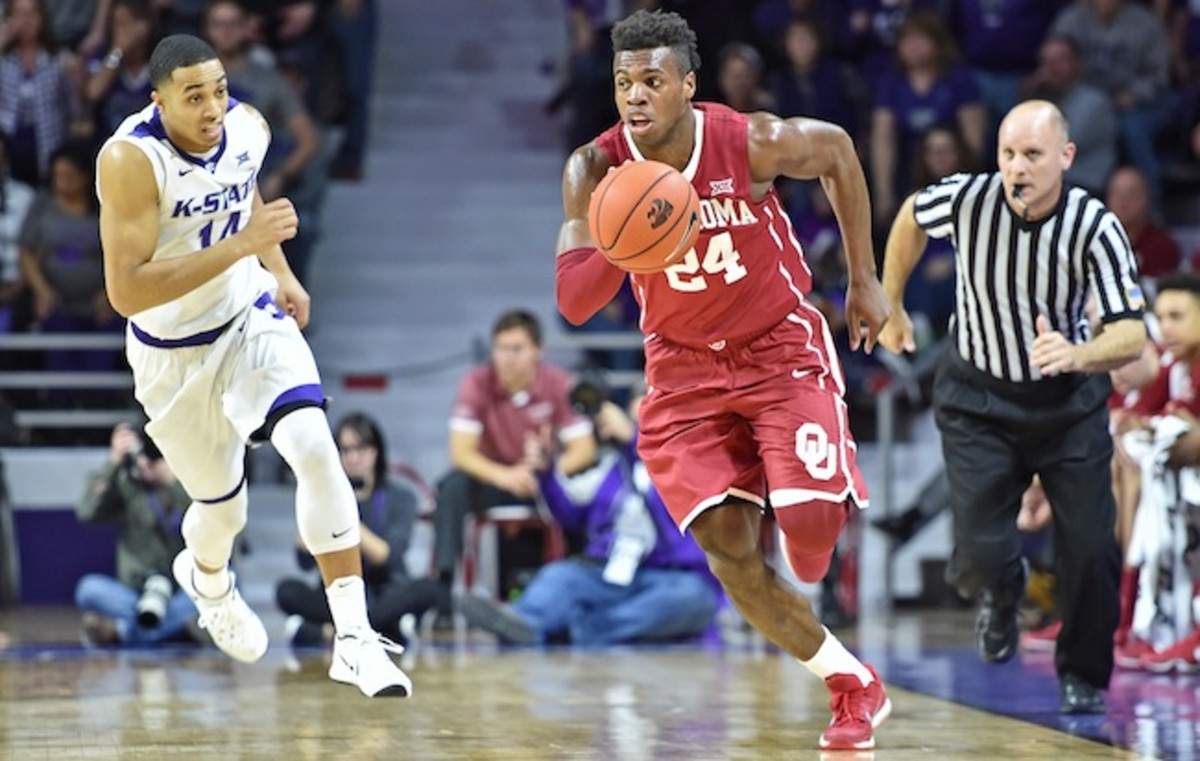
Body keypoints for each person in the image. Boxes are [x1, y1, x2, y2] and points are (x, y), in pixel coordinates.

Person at [554, 10, 892, 752]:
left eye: (651, 81)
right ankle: (851, 682)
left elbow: (837, 150)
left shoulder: (746, 140)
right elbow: (575, 301)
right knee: (730, 552)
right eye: (622, 83)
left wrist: (863, 279)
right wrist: (627, 230)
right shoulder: (596, 168)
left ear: (686, 84)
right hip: (681, 370)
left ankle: (809, 484)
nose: (635, 96)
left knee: (807, 540)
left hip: (775, 348)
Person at [95, 33, 410, 698]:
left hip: (247, 319)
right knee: (223, 509)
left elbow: (243, 194)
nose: (213, 107)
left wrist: (279, 270)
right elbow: (126, 290)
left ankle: (353, 636)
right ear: (159, 101)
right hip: (171, 356)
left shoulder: (247, 126)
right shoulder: (130, 159)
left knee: (314, 446)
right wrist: (246, 243)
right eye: (194, 96)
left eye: (219, 90)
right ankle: (208, 582)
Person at [878, 99, 1146, 714]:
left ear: (1065, 157)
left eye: (1031, 155)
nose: (1017, 168)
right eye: (1007, 154)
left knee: (1090, 548)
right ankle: (1002, 591)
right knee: (975, 558)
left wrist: (1079, 352)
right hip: (979, 399)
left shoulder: (1093, 225)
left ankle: (1082, 674)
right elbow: (912, 218)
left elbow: (1131, 332)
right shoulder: (971, 198)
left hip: (1068, 403)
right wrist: (891, 302)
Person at [458, 388, 720, 646]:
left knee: (693, 598)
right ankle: (525, 621)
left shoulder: (685, 461)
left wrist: (633, 441)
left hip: (667, 576)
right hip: (605, 572)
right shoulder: (609, 468)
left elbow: (676, 516)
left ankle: (582, 628)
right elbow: (568, 516)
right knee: (559, 576)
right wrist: (546, 473)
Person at [432, 309, 596, 612]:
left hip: (542, 481)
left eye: (516, 349)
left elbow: (584, 449)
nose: (507, 357)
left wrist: (547, 474)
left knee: (583, 492)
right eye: (500, 349)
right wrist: (506, 476)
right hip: (494, 478)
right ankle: (442, 590)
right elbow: (460, 452)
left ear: (538, 350)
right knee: (451, 487)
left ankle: (584, 584)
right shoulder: (476, 383)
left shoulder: (560, 383)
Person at [277, 412, 441, 647]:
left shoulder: (401, 497)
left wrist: (346, 515)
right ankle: (380, 630)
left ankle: (332, 630)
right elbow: (303, 561)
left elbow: (389, 556)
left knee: (427, 589)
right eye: (345, 451)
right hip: (337, 590)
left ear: (376, 452)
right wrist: (314, 525)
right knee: (287, 591)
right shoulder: (323, 498)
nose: (353, 459)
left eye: (360, 450)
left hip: (384, 590)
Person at [74, 422, 197, 648]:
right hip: (133, 593)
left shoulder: (190, 483)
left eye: (157, 456)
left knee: (228, 580)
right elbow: (87, 511)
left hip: (180, 590)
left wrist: (173, 482)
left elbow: (212, 521)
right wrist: (113, 463)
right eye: (146, 455)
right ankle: (171, 628)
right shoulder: (128, 487)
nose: (149, 463)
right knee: (87, 589)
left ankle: (125, 632)